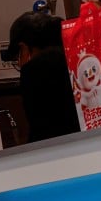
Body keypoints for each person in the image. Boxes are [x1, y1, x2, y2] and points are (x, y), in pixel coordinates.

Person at [5, 11, 80, 142]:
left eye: (18, 56)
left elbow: (41, 129)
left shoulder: (33, 70)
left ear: (24, 48)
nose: (19, 63)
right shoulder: (78, 57)